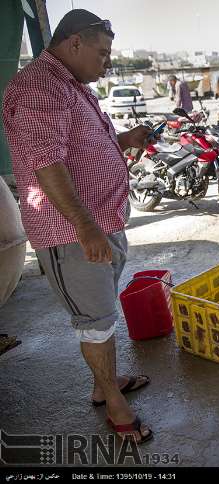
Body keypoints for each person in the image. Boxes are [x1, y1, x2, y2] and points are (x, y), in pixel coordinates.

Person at [2, 9, 154, 444]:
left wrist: (124, 140)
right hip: (71, 233)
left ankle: (101, 384)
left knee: (101, 312)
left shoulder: (70, 84)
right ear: (74, 44)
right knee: (96, 321)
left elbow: (79, 145)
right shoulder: (38, 88)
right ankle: (115, 404)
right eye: (102, 53)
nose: (107, 62)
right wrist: (86, 228)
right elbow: (48, 165)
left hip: (99, 224)